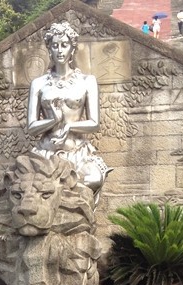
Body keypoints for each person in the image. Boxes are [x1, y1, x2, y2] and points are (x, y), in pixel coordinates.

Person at [26, 22, 111, 198]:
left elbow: (95, 123)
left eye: (64, 45)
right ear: (49, 49)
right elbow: (31, 127)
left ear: (72, 49)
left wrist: (69, 126)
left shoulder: (87, 81)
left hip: (77, 151)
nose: (60, 50)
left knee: (94, 178)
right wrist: (53, 121)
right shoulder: (38, 83)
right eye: (55, 45)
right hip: (47, 153)